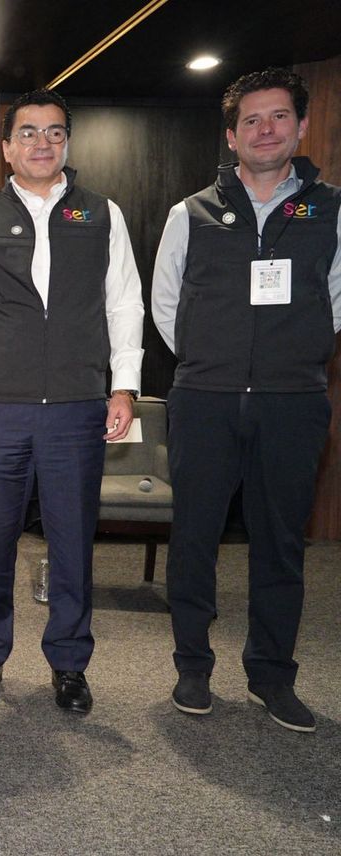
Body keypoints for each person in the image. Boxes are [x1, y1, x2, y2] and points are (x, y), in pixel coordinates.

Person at [0, 89, 144, 714]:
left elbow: (124, 302)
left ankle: (70, 664)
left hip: (77, 407)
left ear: (67, 143)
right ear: (6, 148)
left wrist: (124, 385)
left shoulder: (102, 214)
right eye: (27, 132)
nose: (41, 143)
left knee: (72, 544)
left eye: (54, 132)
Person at [153, 68, 341, 733]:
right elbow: (166, 303)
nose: (266, 130)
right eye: (251, 120)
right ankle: (192, 666)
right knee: (194, 538)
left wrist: (293, 355)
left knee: (281, 544)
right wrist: (210, 360)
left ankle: (271, 675)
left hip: (293, 402)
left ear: (301, 126)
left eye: (279, 117)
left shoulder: (331, 209)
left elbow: (335, 301)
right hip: (204, 398)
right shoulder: (191, 212)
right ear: (231, 136)